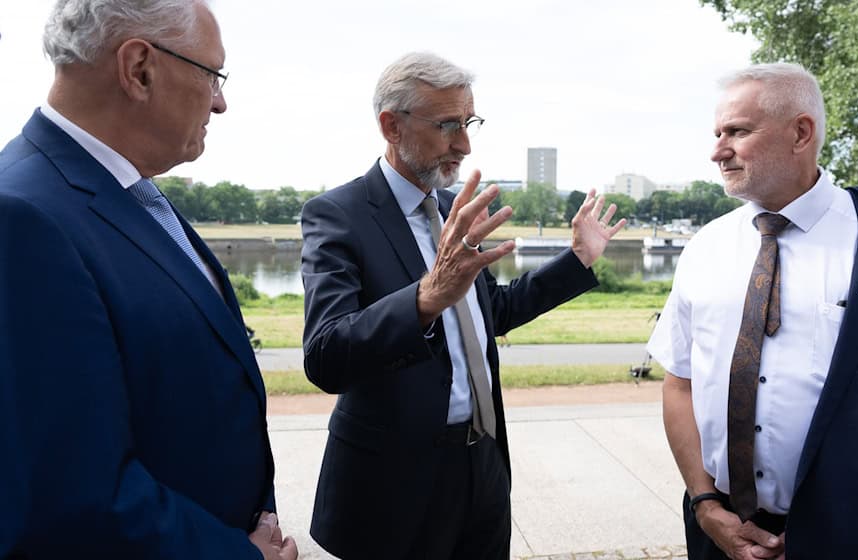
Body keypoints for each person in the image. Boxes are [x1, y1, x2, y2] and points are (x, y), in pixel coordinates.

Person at [649, 62, 858, 559]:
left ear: (801, 133)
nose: (717, 150)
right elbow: (679, 381)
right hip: (720, 538)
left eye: (737, 132)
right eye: (717, 132)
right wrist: (706, 506)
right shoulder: (705, 246)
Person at [300, 51, 626, 559]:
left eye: (469, 122)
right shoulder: (337, 215)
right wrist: (426, 299)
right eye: (448, 124)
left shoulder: (455, 209)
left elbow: (489, 313)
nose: (465, 143)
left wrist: (578, 259)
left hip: (482, 470)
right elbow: (324, 357)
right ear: (392, 126)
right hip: (394, 488)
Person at [0, 1, 296, 558]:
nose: (221, 102)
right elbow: (69, 495)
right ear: (139, 68)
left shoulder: (126, 191)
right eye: (213, 74)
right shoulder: (23, 218)